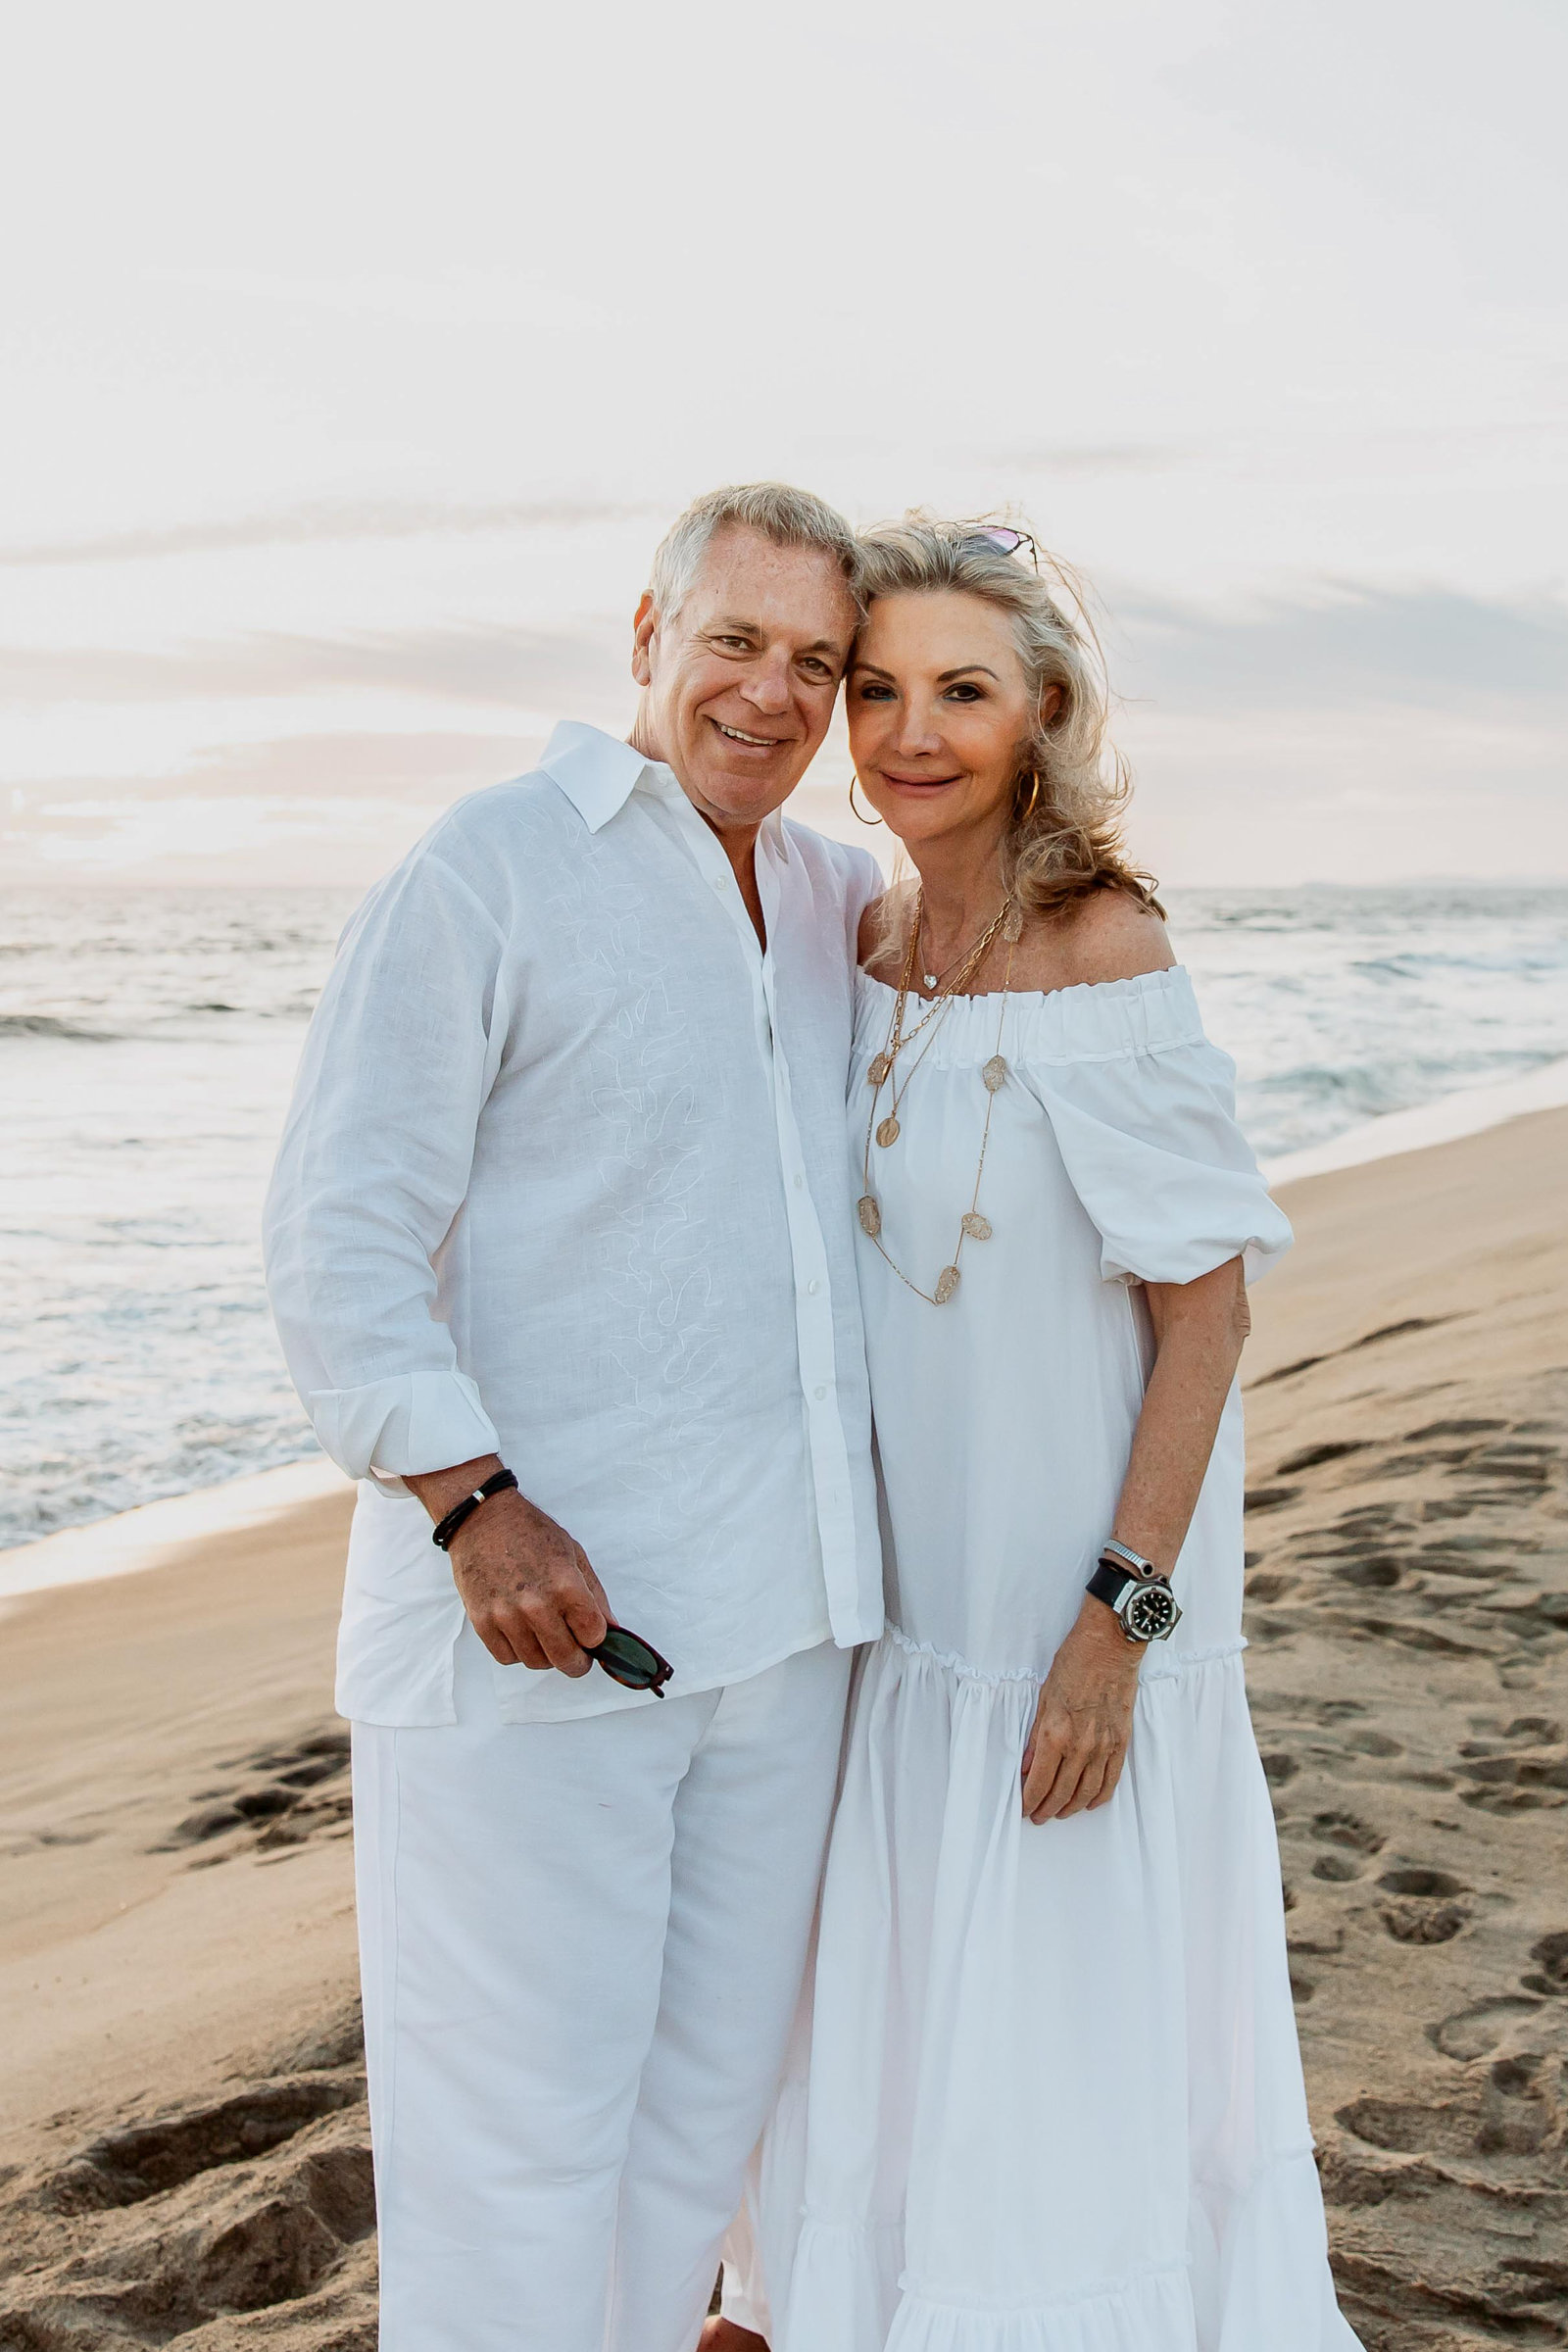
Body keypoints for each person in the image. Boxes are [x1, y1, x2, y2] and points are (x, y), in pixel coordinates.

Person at [710, 519, 1361, 2351]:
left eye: (965, 693)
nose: (909, 734)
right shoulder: (862, 923)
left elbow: (1209, 1308)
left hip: (1068, 1612)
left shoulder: (1105, 945)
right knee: (910, 2008)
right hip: (908, 1607)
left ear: (1046, 714)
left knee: (1058, 2036)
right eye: (881, 689)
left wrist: (1115, 1627)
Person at [263, 483, 889, 2352]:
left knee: (693, 2133)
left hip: (786, 1628)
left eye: (818, 664)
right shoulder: (491, 866)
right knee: (515, 2150)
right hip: (542, 1629)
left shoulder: (843, 899)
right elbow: (337, 1230)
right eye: (734, 642)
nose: (771, 695)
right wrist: (472, 1501)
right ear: (646, 636)